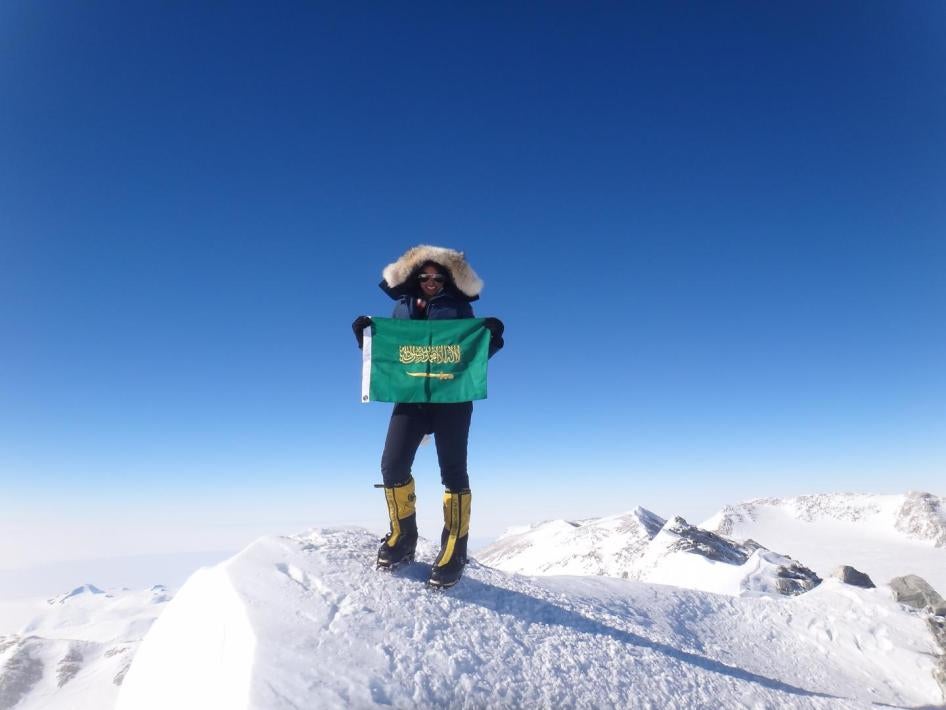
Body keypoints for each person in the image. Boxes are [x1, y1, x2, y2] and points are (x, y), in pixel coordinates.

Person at [352, 245, 504, 588]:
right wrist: (366, 339)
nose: (431, 281)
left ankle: (454, 549)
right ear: (414, 276)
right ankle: (403, 538)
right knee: (392, 464)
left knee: (453, 471)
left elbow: (471, 354)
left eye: (438, 276)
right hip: (411, 397)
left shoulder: (459, 306)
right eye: (425, 276)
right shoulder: (400, 307)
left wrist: (492, 339)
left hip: (452, 398)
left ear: (447, 278)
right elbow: (393, 355)